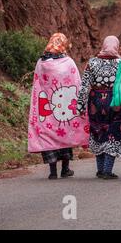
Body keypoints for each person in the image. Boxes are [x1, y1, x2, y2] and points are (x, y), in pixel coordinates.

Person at [27, 33, 89, 179]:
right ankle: (65, 169)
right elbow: (76, 84)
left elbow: (37, 86)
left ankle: (53, 171)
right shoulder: (68, 62)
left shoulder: (41, 63)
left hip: (47, 109)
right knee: (65, 132)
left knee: (49, 135)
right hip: (65, 109)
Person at [77, 36, 121, 180]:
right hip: (116, 102)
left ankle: (100, 170)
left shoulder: (92, 62)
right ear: (117, 47)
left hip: (95, 102)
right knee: (113, 132)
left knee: (98, 131)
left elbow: (84, 86)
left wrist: (80, 106)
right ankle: (107, 170)